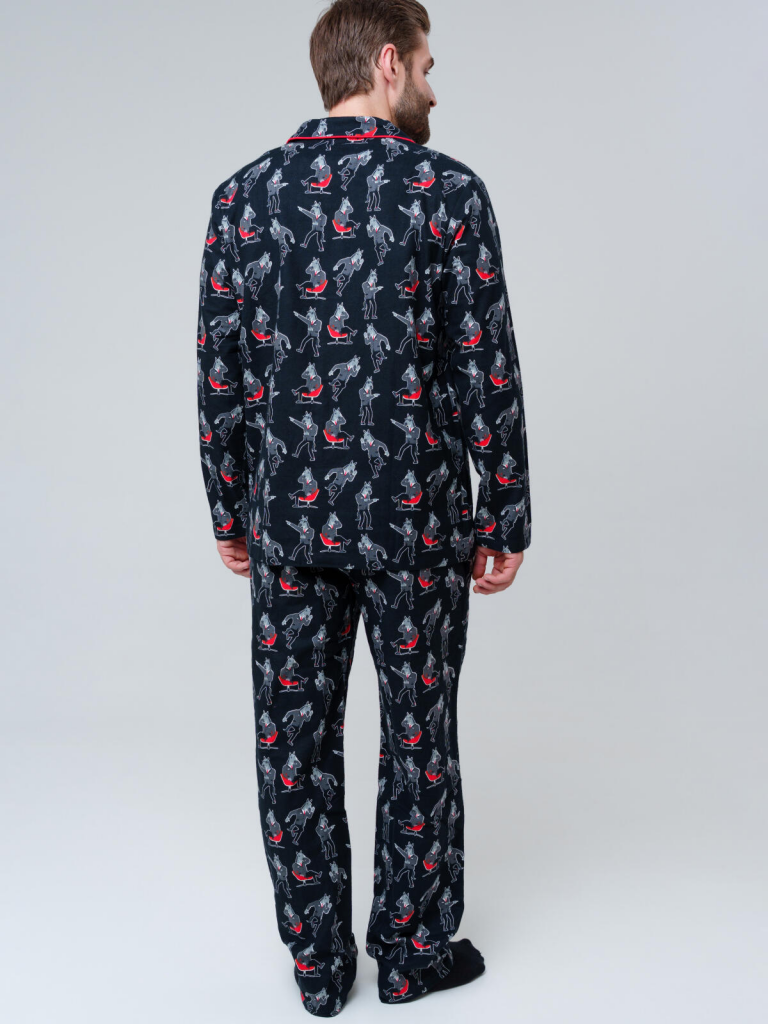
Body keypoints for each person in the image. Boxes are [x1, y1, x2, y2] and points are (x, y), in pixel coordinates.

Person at [195, 0, 531, 1013]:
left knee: (290, 746)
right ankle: (413, 953)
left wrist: (230, 508)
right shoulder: (446, 192)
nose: (433, 85)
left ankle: (318, 967)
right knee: (418, 734)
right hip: (415, 520)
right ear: (387, 62)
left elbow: (220, 372)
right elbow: (484, 366)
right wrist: (504, 510)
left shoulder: (242, 199)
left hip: (289, 521)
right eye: (426, 64)